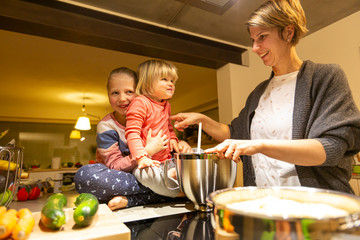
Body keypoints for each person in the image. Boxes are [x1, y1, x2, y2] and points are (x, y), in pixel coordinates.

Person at [170, 0, 360, 194]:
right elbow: (235, 133)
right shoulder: (259, 94)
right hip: (267, 205)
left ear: (288, 32)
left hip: (316, 208)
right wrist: (202, 120)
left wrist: (258, 146)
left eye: (262, 37)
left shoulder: (325, 78)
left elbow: (331, 148)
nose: (254, 47)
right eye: (253, 40)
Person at [74, 67, 191, 210]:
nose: (122, 98)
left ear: (142, 92)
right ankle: (171, 190)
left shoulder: (153, 113)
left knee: (193, 156)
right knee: (85, 176)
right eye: (115, 93)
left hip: (154, 172)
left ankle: (134, 199)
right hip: (122, 176)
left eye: (129, 92)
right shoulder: (106, 126)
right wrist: (147, 151)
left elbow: (166, 153)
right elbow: (115, 166)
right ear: (108, 95)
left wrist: (179, 144)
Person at [125, 59, 184, 198]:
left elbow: (168, 126)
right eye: (165, 79)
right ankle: (178, 193)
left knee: (196, 152)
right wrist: (141, 158)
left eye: (172, 81)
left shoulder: (166, 105)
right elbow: (132, 133)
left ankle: (171, 177)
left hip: (167, 162)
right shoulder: (140, 103)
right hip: (148, 163)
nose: (171, 84)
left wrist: (173, 138)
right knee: (144, 175)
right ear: (147, 83)